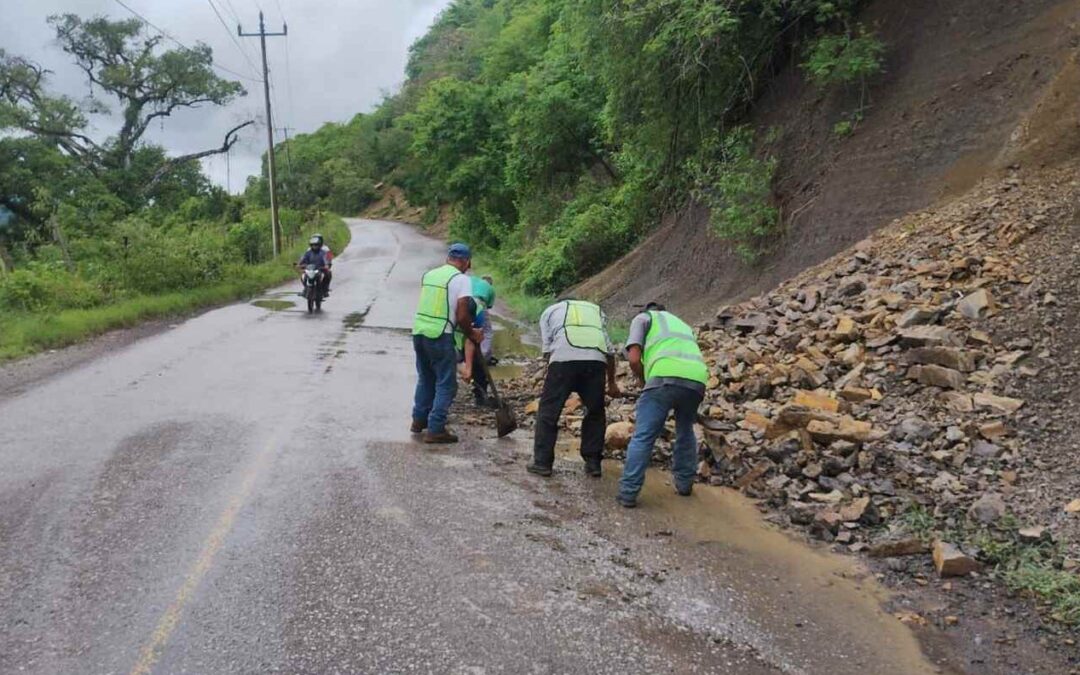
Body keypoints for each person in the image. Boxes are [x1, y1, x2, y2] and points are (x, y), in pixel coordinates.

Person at [617, 302, 709, 508]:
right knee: (685, 429)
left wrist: (644, 380)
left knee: (643, 436)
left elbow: (633, 359)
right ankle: (684, 485)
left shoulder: (643, 318)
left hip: (663, 377)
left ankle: (628, 493)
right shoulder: (682, 324)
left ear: (648, 310)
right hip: (697, 379)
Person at [528, 298, 620, 478]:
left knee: (548, 411)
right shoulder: (595, 310)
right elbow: (609, 351)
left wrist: (549, 374)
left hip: (563, 360)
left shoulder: (550, 311)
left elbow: (548, 350)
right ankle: (593, 464)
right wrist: (611, 383)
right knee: (595, 412)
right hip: (595, 362)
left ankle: (542, 463)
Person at [411, 243, 481, 444]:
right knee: (446, 383)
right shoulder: (461, 280)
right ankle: (436, 428)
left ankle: (418, 420)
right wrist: (472, 333)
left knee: (425, 378)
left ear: (448, 258)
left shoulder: (429, 275)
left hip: (419, 332)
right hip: (440, 334)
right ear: (466, 262)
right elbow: (462, 313)